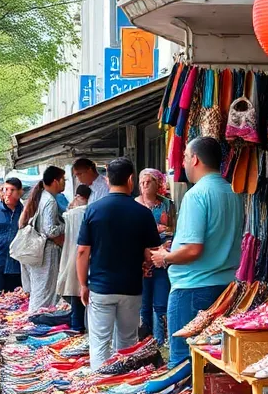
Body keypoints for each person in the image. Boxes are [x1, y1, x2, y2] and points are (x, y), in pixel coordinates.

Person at [152, 136, 243, 366]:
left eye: (184, 157)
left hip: (193, 289)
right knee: (212, 362)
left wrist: (166, 257)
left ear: (195, 159)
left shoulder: (196, 194)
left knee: (183, 361)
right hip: (225, 286)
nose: (181, 163)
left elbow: (193, 249)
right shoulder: (232, 192)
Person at [77, 158, 162, 369]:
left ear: (107, 180)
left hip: (101, 287)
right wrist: (145, 263)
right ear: (131, 179)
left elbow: (82, 252)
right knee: (127, 343)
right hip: (131, 289)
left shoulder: (93, 210)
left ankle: (101, 390)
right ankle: (122, 388)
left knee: (99, 343)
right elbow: (151, 252)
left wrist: (82, 284)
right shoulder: (143, 213)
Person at [20, 166, 67, 312]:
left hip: (39, 251)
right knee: (44, 291)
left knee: (40, 289)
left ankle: (37, 318)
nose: (64, 182)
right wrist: (67, 224)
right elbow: (50, 230)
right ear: (55, 181)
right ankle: (38, 319)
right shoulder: (49, 201)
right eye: (63, 180)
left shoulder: (42, 197)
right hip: (47, 251)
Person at [137, 168, 176, 345]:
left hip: (163, 256)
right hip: (141, 259)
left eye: (149, 182)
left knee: (161, 301)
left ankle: (160, 340)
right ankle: (145, 341)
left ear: (158, 183)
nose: (145, 185)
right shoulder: (135, 205)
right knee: (143, 302)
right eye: (142, 182)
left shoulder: (168, 204)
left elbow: (175, 229)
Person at [57, 185, 92, 332]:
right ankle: (80, 327)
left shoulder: (72, 214)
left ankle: (77, 327)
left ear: (78, 197)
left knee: (76, 294)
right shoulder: (90, 211)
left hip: (72, 257)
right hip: (87, 258)